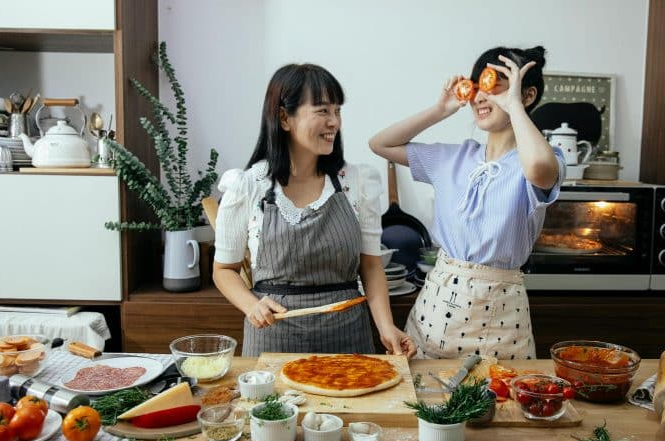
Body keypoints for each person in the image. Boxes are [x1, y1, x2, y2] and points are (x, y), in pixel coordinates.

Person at [368, 46, 564, 360]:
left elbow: (539, 171)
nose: (480, 96)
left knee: (501, 405)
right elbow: (380, 143)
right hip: (434, 312)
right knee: (424, 402)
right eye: (477, 86)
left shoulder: (542, 159)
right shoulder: (452, 158)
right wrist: (440, 110)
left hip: (502, 320)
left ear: (527, 96)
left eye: (494, 85)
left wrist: (514, 107)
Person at [213, 63, 416, 358]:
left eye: (337, 111)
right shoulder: (247, 186)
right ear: (284, 118)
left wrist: (386, 327)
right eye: (322, 111)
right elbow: (224, 270)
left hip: (347, 338)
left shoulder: (357, 182)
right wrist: (251, 305)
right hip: (273, 339)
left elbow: (371, 266)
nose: (334, 122)